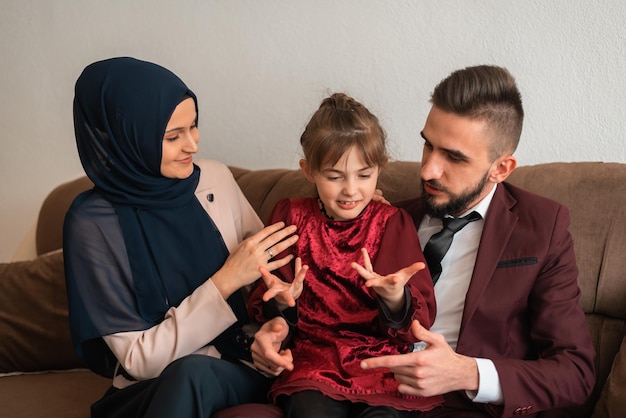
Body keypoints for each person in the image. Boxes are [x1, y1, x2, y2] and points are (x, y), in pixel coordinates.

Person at [252, 66, 596, 417]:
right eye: (428, 145)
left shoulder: (541, 227)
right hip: (360, 382)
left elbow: (575, 372)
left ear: (501, 169)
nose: (428, 170)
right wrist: (274, 326)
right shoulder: (385, 217)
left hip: (458, 404)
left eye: (454, 157)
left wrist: (468, 372)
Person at [63, 57, 299, 418]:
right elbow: (139, 361)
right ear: (128, 137)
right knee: (189, 374)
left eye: (194, 126)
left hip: (239, 366)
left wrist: (273, 326)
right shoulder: (92, 223)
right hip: (151, 387)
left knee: (194, 375)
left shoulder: (215, 180)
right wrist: (225, 281)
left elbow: (271, 286)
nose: (193, 145)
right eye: (173, 136)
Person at [247, 93, 442, 418]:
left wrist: (395, 298)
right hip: (313, 362)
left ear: (380, 168)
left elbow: (418, 319)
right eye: (335, 177)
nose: (351, 189)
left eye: (364, 175)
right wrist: (280, 304)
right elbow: (272, 302)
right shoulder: (290, 216)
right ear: (308, 171)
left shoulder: (391, 223)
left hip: (380, 362)